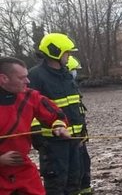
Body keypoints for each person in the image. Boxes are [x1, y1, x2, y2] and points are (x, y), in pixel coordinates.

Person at [1, 57, 70, 195]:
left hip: (21, 166)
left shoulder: (30, 96)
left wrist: (59, 126)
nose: (28, 81)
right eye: (22, 78)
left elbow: (56, 114)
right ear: (3, 79)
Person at [29, 33, 85, 195]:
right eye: (67, 53)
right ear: (56, 52)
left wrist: (82, 131)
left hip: (73, 139)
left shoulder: (66, 74)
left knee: (75, 181)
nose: (69, 57)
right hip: (52, 142)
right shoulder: (36, 76)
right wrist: (37, 135)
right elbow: (31, 106)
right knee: (56, 184)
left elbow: (76, 105)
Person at [66, 56, 92, 195]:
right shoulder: (61, 88)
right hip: (67, 139)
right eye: (74, 70)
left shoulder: (73, 88)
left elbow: (78, 115)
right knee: (73, 173)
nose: (75, 72)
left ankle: (86, 190)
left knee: (84, 166)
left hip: (79, 137)